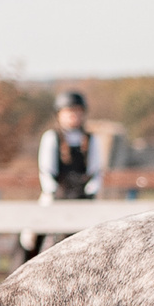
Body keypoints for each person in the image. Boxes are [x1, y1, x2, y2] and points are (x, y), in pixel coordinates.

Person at [18, 92, 106, 263]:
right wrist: (55, 192)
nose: (73, 116)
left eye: (77, 112)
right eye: (69, 112)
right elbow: (46, 171)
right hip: (57, 194)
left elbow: (96, 171)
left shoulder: (91, 139)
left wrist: (89, 191)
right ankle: (27, 264)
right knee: (29, 235)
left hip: (83, 196)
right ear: (59, 114)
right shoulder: (51, 138)